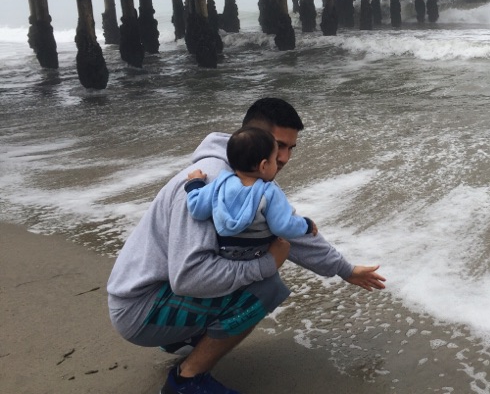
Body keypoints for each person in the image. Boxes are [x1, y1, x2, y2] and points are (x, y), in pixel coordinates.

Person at [107, 97, 386, 394]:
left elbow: (288, 231)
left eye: (291, 148)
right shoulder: (215, 181)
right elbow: (188, 276)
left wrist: (345, 269)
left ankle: (184, 337)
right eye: (279, 146)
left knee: (251, 262)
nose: (285, 158)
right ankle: (186, 381)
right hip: (140, 309)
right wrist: (267, 264)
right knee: (265, 287)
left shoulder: (248, 174)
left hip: (158, 293)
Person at [184, 126, 317, 261]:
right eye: (274, 160)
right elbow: (282, 226)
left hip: (226, 255)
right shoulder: (269, 192)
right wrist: (306, 225)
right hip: (259, 254)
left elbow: (196, 209)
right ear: (264, 165)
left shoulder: (219, 185)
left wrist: (195, 182)